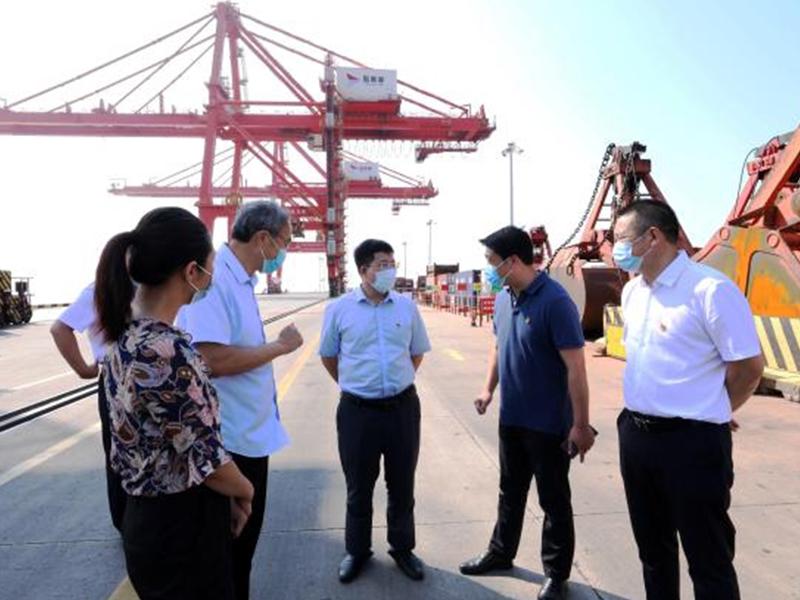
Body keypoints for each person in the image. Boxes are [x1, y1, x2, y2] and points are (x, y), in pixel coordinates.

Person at [95, 206, 254, 600]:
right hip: (182, 529)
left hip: (145, 520)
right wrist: (245, 490)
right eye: (211, 266)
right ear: (191, 272)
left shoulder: (124, 339)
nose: (212, 276)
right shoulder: (165, 352)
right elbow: (206, 458)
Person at [612, 200, 764, 600]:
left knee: (708, 557)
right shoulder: (632, 292)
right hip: (637, 435)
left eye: (621, 239)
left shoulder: (710, 290)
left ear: (653, 237)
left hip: (692, 443)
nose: (615, 249)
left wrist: (715, 406)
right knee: (653, 551)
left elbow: (749, 367)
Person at [460, 226, 596, 600]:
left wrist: (581, 425)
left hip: (549, 424)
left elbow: (576, 369)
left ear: (513, 261)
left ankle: (556, 574)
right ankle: (501, 553)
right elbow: (498, 347)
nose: (488, 269)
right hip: (512, 418)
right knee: (510, 490)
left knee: (553, 500)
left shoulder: (556, 302)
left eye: (491, 262)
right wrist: (488, 389)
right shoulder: (504, 298)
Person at [177, 200, 304, 600]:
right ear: (263, 238)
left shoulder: (241, 280)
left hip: (247, 436)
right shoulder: (215, 281)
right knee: (228, 559)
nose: (284, 251)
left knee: (239, 557)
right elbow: (210, 360)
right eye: (285, 241)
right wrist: (279, 347)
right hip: (229, 446)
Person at [319, 239, 431, 584]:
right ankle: (357, 550)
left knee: (402, 484)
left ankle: (402, 548)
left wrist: (394, 383)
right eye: (382, 265)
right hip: (357, 412)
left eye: (392, 264)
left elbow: (416, 353)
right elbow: (328, 356)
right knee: (359, 486)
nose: (390, 271)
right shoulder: (339, 310)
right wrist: (356, 385)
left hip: (402, 409)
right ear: (363, 270)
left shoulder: (406, 307)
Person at [51, 282, 126, 531]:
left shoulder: (106, 287)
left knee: (121, 455)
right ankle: (127, 524)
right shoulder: (101, 289)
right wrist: (83, 369)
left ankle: (130, 524)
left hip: (125, 377)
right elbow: (60, 329)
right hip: (119, 378)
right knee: (122, 455)